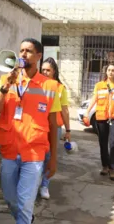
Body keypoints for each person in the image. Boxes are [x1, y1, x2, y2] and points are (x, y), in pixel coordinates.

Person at [0, 38, 61, 224]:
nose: (23, 54)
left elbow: (54, 126)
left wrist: (53, 158)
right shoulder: (5, 80)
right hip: (10, 151)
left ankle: (25, 218)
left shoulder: (50, 86)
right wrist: (5, 89)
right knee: (11, 200)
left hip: (34, 153)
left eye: (28, 51)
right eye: (21, 50)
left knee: (24, 201)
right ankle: (27, 219)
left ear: (38, 56)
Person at [84, 63, 114, 181]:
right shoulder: (99, 85)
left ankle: (113, 169)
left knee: (113, 143)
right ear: (106, 72)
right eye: (109, 70)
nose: (111, 72)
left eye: (113, 70)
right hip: (101, 117)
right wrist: (87, 111)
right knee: (103, 143)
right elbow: (94, 99)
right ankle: (105, 166)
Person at [40, 57, 71, 200]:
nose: (45, 72)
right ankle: (35, 182)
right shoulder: (36, 85)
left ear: (54, 72)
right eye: (43, 70)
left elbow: (64, 110)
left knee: (49, 156)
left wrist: (68, 131)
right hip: (38, 126)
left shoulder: (59, 88)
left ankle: (44, 185)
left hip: (54, 127)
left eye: (48, 70)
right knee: (38, 156)